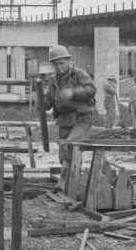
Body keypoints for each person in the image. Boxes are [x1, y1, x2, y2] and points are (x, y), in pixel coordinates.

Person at [41, 45, 96, 186]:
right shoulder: (53, 80)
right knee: (63, 155)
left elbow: (91, 90)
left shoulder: (79, 74)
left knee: (71, 146)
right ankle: (69, 183)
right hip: (64, 119)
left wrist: (73, 92)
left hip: (81, 118)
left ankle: (73, 184)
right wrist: (42, 101)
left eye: (61, 63)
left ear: (68, 61)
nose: (59, 67)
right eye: (55, 64)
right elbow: (48, 102)